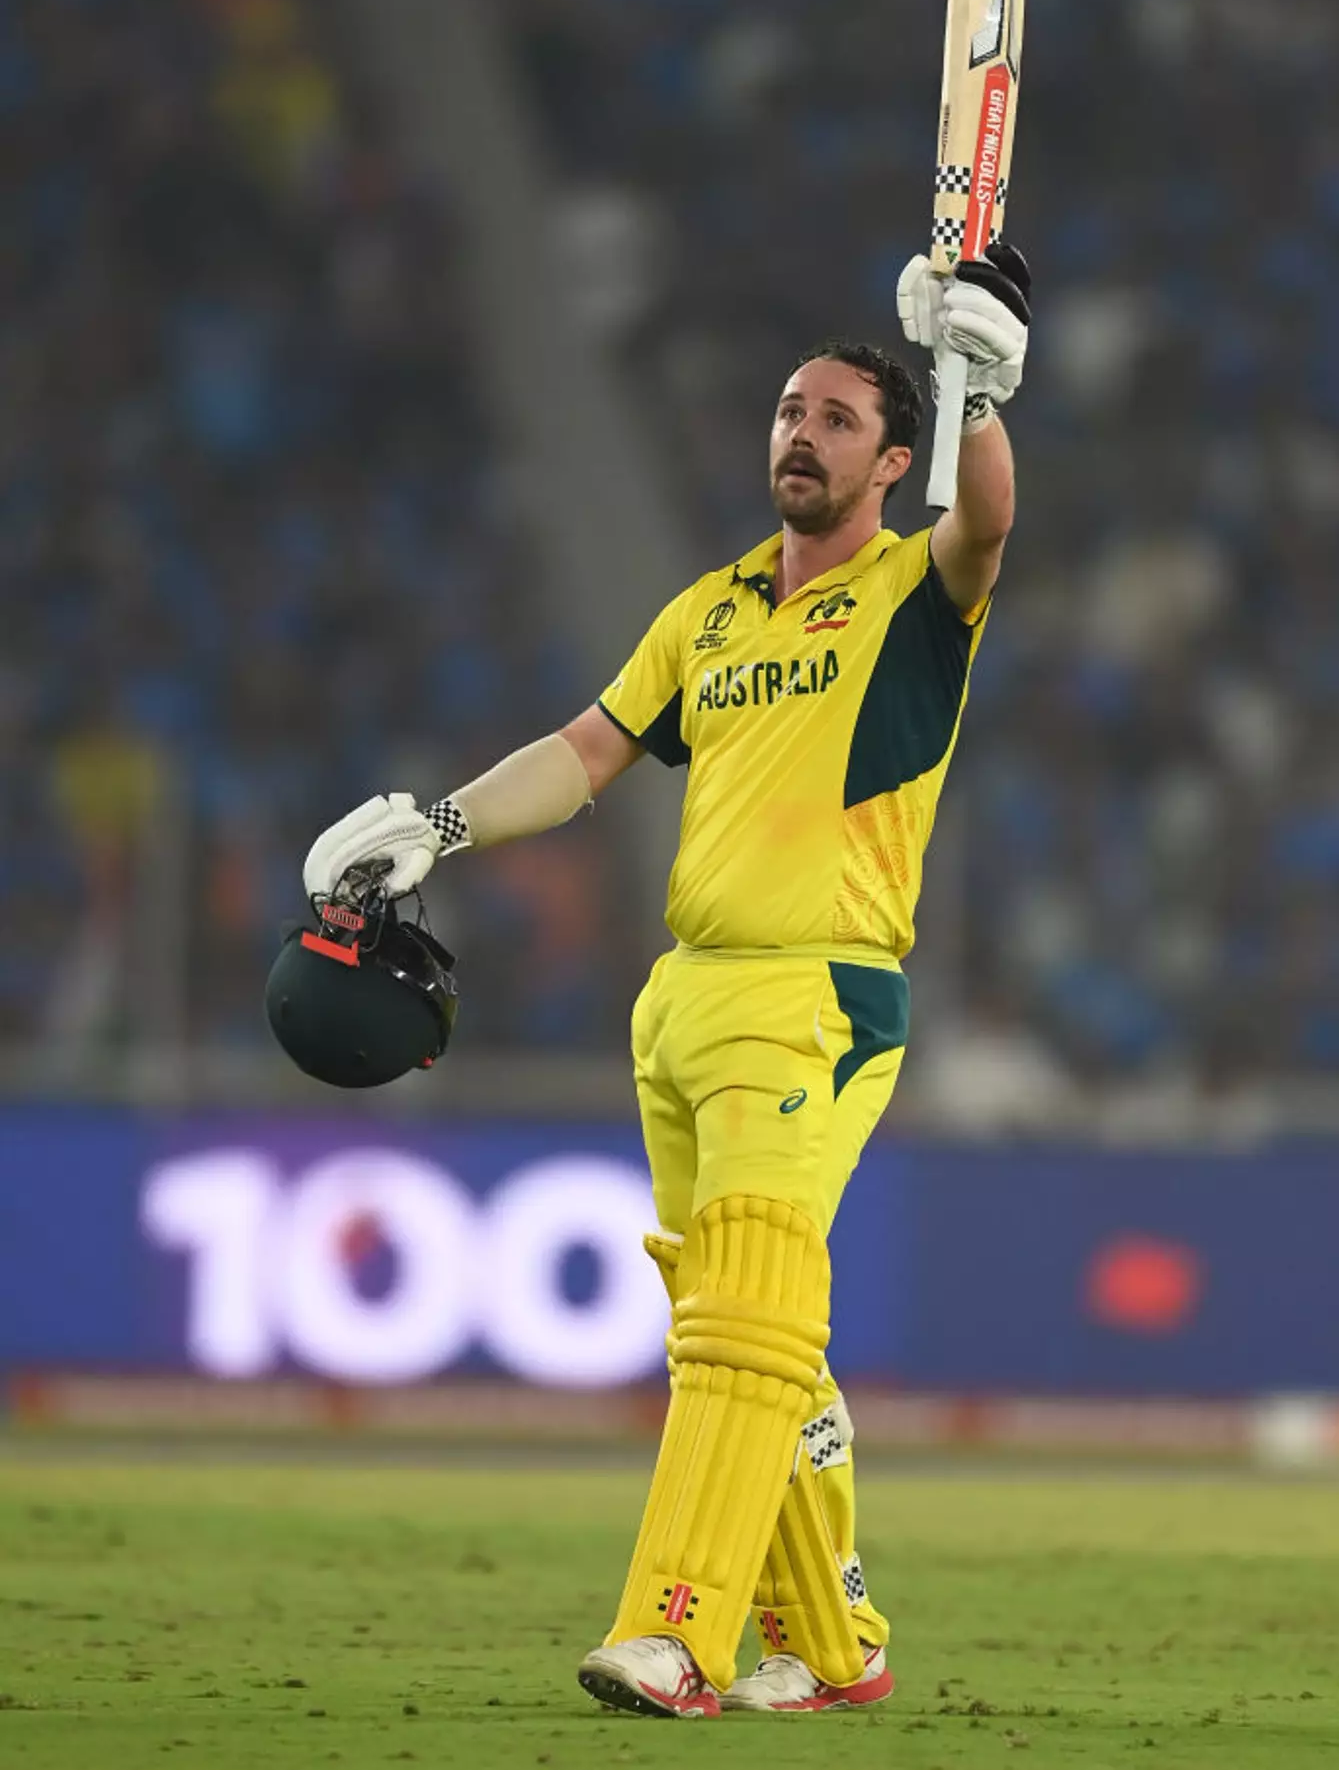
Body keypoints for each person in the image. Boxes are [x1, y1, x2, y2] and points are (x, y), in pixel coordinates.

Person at [302, 243, 1030, 1716]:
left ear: (894, 463)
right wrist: (440, 827)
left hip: (818, 991)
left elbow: (989, 525)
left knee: (749, 1315)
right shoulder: (709, 611)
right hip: (685, 1000)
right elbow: (586, 754)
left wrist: (982, 389)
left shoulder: (911, 589)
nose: (800, 433)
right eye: (790, 410)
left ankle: (676, 1632)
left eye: (837, 419)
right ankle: (833, 1646)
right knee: (740, 1326)